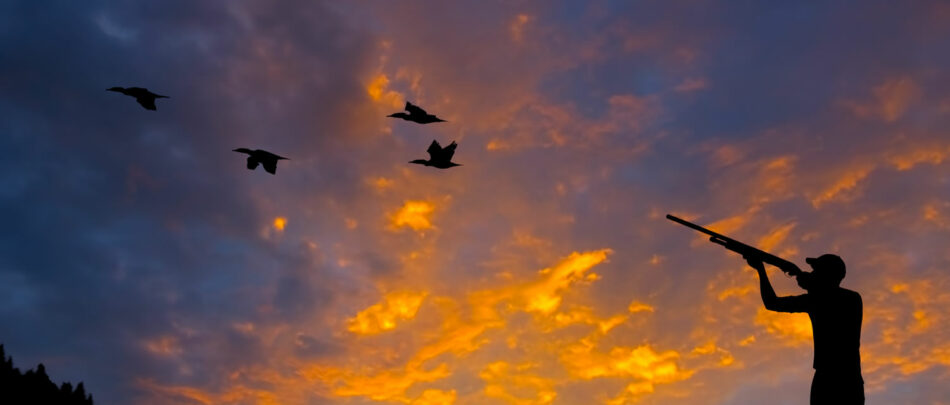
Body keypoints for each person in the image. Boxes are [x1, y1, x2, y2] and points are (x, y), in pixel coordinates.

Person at [746, 253, 864, 405]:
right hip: (844, 378)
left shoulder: (848, 299)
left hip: (834, 378)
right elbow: (772, 303)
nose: (812, 273)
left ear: (825, 275)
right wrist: (761, 269)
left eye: (816, 271)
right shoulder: (845, 298)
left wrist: (760, 269)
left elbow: (772, 303)